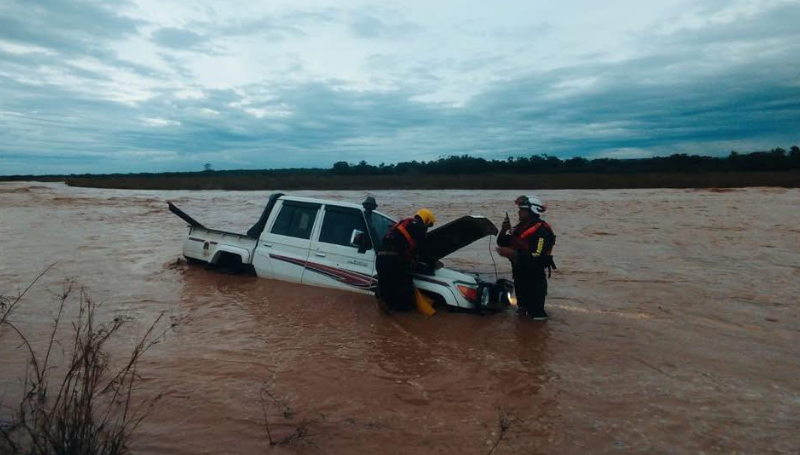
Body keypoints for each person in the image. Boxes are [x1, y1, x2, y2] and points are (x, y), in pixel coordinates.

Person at [496, 195, 556, 320]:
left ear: (532, 211)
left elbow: (537, 257)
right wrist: (503, 230)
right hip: (519, 276)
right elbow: (503, 242)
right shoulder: (520, 227)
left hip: (534, 280)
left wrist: (511, 254)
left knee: (537, 316)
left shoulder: (542, 231)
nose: (519, 212)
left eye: (522, 210)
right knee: (521, 312)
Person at [376, 208, 436, 312]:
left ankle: (385, 313)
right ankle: (403, 315)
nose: (427, 229)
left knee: (386, 292)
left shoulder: (403, 224)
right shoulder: (419, 227)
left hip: (380, 259)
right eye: (429, 225)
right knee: (405, 289)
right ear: (426, 220)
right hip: (393, 260)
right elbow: (424, 250)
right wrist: (431, 264)